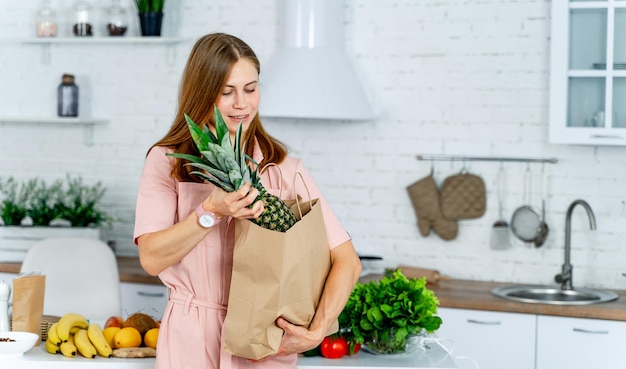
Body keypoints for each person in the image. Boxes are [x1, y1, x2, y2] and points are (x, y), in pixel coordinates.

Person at [133, 33, 362, 369]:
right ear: (202, 94)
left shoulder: (282, 168)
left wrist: (316, 333)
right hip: (190, 341)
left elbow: (347, 260)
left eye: (250, 89)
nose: (242, 103)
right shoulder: (168, 162)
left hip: (264, 344)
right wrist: (210, 211)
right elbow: (151, 258)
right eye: (227, 92)